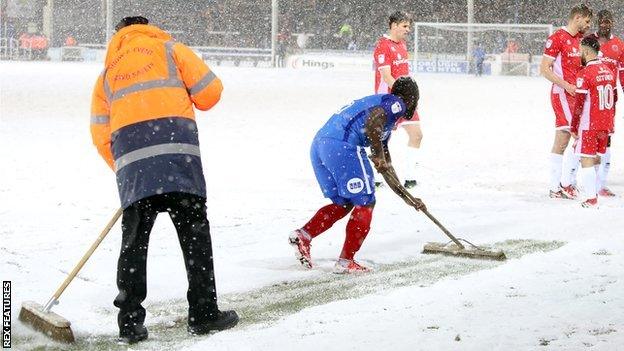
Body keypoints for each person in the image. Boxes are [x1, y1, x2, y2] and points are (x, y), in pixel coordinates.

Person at [90, 16, 238, 344]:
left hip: (135, 169)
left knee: (134, 245)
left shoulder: (106, 76)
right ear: (149, 28)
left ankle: (129, 323)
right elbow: (210, 94)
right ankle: (203, 314)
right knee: (195, 238)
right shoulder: (172, 50)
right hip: (178, 160)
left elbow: (99, 132)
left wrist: (126, 168)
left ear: (118, 38)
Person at [288, 77, 426, 274]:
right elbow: (373, 123)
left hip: (321, 145)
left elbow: (387, 167)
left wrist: (408, 198)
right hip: (342, 145)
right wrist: (377, 153)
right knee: (366, 201)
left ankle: (304, 235)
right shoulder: (395, 103)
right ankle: (345, 263)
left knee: (344, 202)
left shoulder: (384, 121)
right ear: (411, 98)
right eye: (416, 101)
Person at [540, 4, 592, 199]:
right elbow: (544, 69)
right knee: (579, 136)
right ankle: (565, 184)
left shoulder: (581, 40)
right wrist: (567, 85)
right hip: (562, 94)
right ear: (577, 17)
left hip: (577, 95)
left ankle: (557, 187)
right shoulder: (557, 38)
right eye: (587, 21)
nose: (588, 25)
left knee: (563, 140)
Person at [373, 11, 422, 188]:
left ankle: (410, 178)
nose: (408, 29)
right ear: (394, 25)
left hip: (405, 99)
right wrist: (402, 94)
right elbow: (386, 77)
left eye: (409, 26)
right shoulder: (383, 46)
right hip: (388, 100)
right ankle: (378, 179)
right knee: (382, 140)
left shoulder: (402, 45)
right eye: (404, 26)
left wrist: (408, 95)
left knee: (416, 135)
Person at [582, 9, 624, 197]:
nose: (605, 24)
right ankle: (580, 179)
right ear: (598, 22)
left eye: (609, 21)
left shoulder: (619, 44)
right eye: (603, 21)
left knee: (606, 138)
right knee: (585, 136)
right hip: (591, 95)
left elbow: (622, 73)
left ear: (613, 23)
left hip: (609, 98)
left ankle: (601, 184)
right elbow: (580, 65)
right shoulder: (590, 40)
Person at [570, 36, 615, 208]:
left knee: (586, 159)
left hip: (590, 124)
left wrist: (574, 127)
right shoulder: (608, 70)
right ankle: (594, 190)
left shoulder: (585, 73)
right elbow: (615, 98)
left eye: (581, 51)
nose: (579, 54)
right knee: (595, 157)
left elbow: (579, 104)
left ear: (587, 51)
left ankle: (591, 198)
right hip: (605, 123)